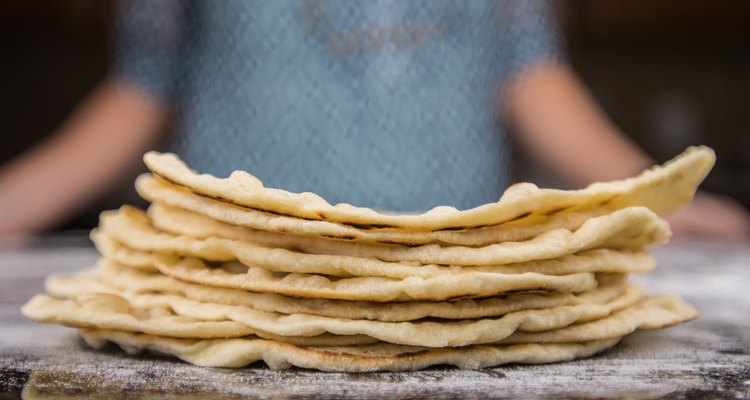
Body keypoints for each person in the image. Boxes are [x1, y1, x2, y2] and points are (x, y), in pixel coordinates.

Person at [0, 0, 748, 240]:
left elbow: (527, 71)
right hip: (234, 264)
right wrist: (13, 201)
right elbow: (141, 87)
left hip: (458, 264)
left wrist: (647, 198)